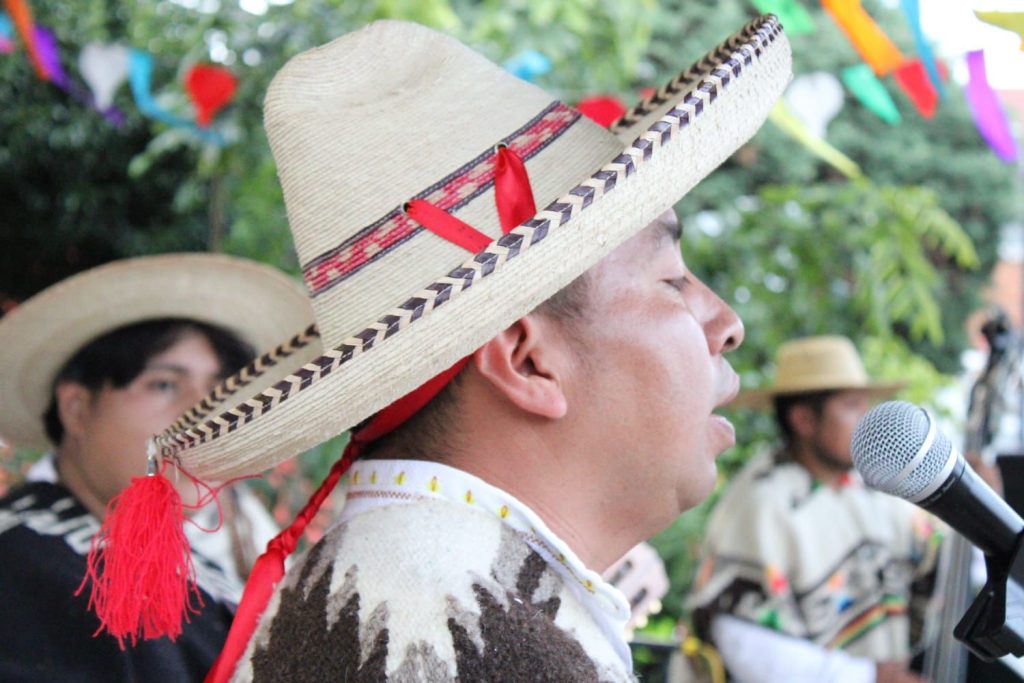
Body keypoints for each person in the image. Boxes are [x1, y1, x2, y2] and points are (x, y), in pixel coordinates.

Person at [125, 16, 792, 682]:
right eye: (672, 279)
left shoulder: (382, 592)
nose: (727, 323)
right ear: (528, 359)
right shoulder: (476, 645)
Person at [0, 253, 314, 682]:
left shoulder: (183, 556)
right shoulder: (23, 567)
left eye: (219, 390)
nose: (205, 415)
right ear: (76, 408)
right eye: (164, 384)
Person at [688, 336, 942, 683]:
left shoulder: (872, 489)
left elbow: (935, 561)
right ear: (804, 419)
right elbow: (738, 637)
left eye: (865, 404)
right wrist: (865, 677)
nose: (866, 419)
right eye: (852, 406)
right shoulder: (763, 501)